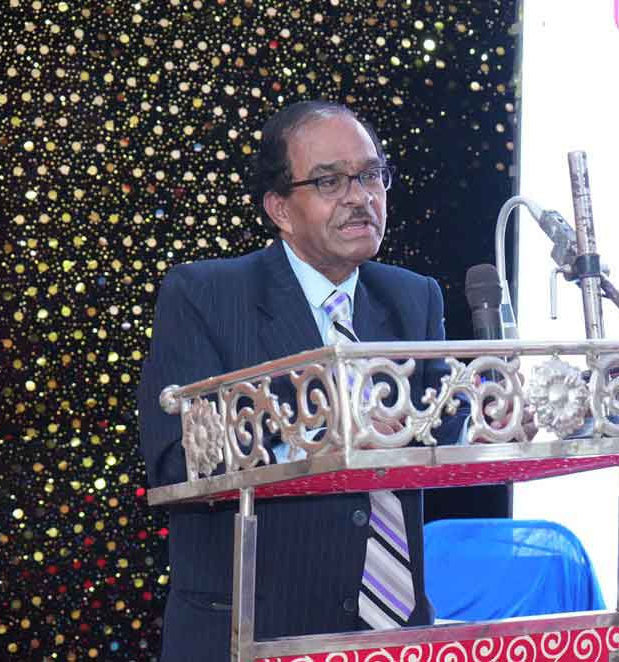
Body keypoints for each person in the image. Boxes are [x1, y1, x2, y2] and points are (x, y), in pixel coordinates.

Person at [137, 100, 471, 661]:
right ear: (280, 209)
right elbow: (175, 460)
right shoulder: (206, 295)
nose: (360, 197)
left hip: (393, 635)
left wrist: (489, 421)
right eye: (329, 181)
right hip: (253, 631)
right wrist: (327, 429)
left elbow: (446, 430)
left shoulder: (414, 298)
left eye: (371, 175)